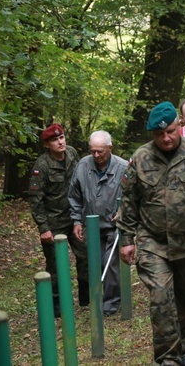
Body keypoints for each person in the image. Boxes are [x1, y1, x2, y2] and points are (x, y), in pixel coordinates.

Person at [116, 102, 185, 366]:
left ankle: (182, 351)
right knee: (161, 297)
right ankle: (167, 359)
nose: (166, 138)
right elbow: (129, 201)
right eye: (159, 134)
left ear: (179, 125)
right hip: (152, 241)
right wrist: (126, 240)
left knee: (184, 299)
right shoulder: (141, 158)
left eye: (170, 131)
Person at [28, 123, 87, 318]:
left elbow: (80, 181)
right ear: (46, 144)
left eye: (61, 137)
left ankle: (86, 297)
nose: (60, 142)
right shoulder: (41, 166)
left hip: (75, 217)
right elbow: (35, 199)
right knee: (55, 264)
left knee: (84, 255)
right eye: (55, 139)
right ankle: (56, 303)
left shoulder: (72, 154)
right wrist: (43, 228)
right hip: (54, 222)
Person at [68, 130, 128, 316]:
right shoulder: (83, 166)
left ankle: (110, 303)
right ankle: (97, 297)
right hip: (91, 226)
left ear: (110, 148)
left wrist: (124, 211)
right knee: (95, 263)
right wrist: (76, 220)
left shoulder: (123, 167)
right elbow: (74, 196)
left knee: (110, 264)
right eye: (92, 151)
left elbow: (133, 195)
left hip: (114, 226)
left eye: (100, 151)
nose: (96, 155)